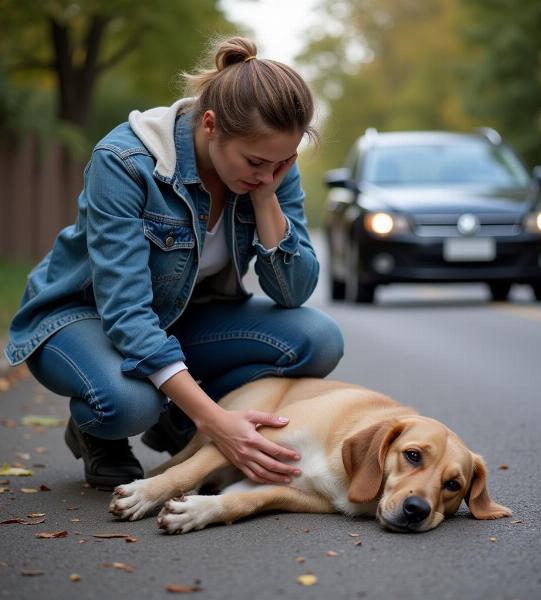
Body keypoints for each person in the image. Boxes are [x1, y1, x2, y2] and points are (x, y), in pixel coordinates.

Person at [3, 37, 344, 490]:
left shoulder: (271, 169)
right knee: (127, 404)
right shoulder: (126, 161)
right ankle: (100, 429)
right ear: (210, 124)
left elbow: (293, 292)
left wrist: (265, 201)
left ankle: (176, 419)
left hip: (180, 317)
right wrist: (217, 420)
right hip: (82, 316)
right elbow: (125, 313)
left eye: (281, 163)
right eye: (256, 162)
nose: (268, 174)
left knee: (318, 339)